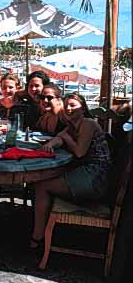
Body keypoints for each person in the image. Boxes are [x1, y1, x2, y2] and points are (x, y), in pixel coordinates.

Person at [30, 92, 112, 248]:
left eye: (73, 105)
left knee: (41, 185)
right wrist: (50, 145)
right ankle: (41, 230)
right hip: (88, 173)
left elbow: (79, 152)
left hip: (96, 177)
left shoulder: (88, 123)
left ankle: (37, 238)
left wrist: (65, 137)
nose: (68, 108)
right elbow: (59, 138)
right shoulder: (72, 126)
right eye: (66, 105)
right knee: (44, 179)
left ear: (83, 108)